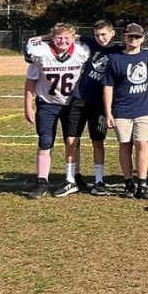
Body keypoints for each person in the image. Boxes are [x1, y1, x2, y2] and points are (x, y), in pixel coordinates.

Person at [24, 23, 91, 199]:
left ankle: (74, 176)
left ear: (74, 38)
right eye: (58, 37)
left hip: (72, 103)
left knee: (73, 141)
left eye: (67, 37)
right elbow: (31, 81)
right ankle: (41, 182)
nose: (62, 41)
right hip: (47, 103)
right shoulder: (41, 52)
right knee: (45, 141)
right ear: (52, 38)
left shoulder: (81, 51)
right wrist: (28, 106)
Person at [102, 24, 148, 199]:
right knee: (125, 145)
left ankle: (142, 184)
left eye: (137, 37)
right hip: (122, 109)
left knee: (142, 144)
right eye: (130, 36)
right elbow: (108, 86)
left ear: (142, 39)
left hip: (145, 108)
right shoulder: (115, 59)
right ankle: (128, 183)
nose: (134, 39)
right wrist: (108, 112)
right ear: (125, 37)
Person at [60, 20, 123, 196]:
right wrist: (40, 38)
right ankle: (70, 179)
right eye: (97, 35)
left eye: (104, 34)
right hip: (79, 99)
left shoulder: (119, 51)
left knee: (98, 142)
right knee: (72, 140)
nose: (100, 38)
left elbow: (139, 51)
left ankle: (99, 181)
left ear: (112, 33)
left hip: (101, 104)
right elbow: (64, 34)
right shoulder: (89, 43)